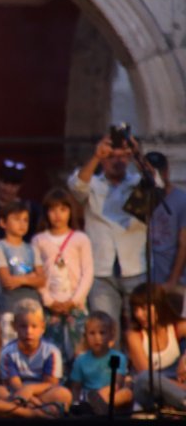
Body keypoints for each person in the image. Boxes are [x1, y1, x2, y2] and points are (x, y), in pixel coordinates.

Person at [68, 133, 146, 332]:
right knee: (106, 330)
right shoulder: (93, 184)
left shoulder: (138, 182)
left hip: (135, 268)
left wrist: (138, 154)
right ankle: (113, 364)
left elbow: (159, 186)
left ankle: (137, 364)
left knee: (139, 328)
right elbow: (76, 186)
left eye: (122, 157)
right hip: (101, 270)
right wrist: (96, 156)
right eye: (111, 157)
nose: (117, 162)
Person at [32, 188, 93, 366]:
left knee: (79, 349)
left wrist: (75, 300)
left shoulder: (80, 238)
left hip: (76, 303)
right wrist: (49, 300)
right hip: (51, 304)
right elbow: (38, 273)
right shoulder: (39, 240)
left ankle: (79, 388)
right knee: (53, 351)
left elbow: (88, 271)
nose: (57, 215)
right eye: (52, 209)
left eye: (62, 209)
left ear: (70, 211)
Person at [0, 299, 72, 417]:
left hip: (43, 394)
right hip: (17, 394)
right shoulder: (8, 353)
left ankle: (24, 412)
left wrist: (30, 390)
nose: (28, 332)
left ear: (42, 327)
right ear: (14, 326)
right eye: (23, 326)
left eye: (34, 326)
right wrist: (31, 399)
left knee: (64, 394)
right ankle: (37, 412)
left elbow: (50, 383)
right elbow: (15, 384)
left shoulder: (51, 352)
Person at [0, 201, 45, 344]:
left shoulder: (32, 248)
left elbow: (41, 280)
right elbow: (7, 281)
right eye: (16, 219)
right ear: (3, 223)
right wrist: (30, 278)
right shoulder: (0, 248)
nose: (22, 224)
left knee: (34, 347)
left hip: (34, 309)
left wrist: (20, 280)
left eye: (25, 220)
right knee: (11, 348)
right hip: (10, 308)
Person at [126, 283, 186, 411]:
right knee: (145, 377)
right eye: (135, 310)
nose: (139, 314)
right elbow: (149, 378)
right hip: (148, 392)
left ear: (158, 305)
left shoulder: (176, 327)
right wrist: (181, 388)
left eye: (143, 308)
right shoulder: (134, 336)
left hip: (175, 388)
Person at [145, 151, 186, 315]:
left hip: (176, 280)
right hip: (150, 277)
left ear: (166, 171)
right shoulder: (143, 198)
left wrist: (172, 280)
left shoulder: (181, 200)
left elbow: (184, 244)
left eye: (160, 172)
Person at [70, 311, 132, 415]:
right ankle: (95, 407)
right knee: (84, 398)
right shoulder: (81, 360)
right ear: (85, 335)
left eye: (102, 333)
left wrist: (100, 397)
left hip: (111, 398)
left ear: (111, 335)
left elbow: (117, 384)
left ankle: (98, 407)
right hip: (88, 397)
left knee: (127, 394)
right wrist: (75, 405)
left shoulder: (118, 357)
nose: (97, 338)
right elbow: (76, 387)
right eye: (92, 333)